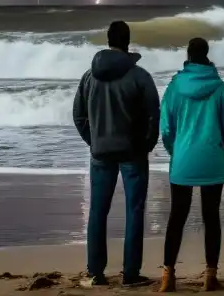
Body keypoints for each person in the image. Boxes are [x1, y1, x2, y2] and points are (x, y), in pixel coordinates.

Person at [72, 20, 160, 288]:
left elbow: (78, 115)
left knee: (98, 211)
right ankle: (130, 274)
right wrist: (146, 145)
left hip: (100, 153)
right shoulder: (140, 76)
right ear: (128, 41)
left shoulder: (89, 76)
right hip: (133, 153)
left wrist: (94, 141)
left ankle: (95, 273)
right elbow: (153, 116)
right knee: (134, 211)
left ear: (108, 41)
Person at [158, 37, 224, 293]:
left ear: (188, 56)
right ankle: (210, 276)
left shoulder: (174, 86)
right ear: (207, 56)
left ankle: (168, 276)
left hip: (183, 159)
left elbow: (166, 127)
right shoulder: (219, 88)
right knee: (211, 217)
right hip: (212, 158)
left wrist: (176, 151)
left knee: (177, 217)